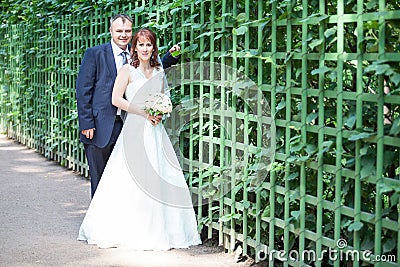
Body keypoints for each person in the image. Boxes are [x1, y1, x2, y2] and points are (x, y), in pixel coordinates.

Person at [77, 28, 201, 250]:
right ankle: (128, 228)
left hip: (155, 131)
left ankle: (160, 230)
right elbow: (116, 99)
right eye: (141, 45)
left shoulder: (158, 70)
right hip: (134, 128)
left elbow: (164, 98)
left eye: (149, 44)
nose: (145, 49)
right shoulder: (127, 70)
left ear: (154, 47)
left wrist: (159, 113)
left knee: (160, 176)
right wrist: (143, 112)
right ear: (134, 48)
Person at [76, 14, 181, 198]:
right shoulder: (95, 53)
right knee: (100, 179)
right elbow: (83, 89)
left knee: (122, 179)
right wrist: (86, 123)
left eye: (127, 31)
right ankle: (101, 222)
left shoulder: (135, 53)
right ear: (111, 31)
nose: (123, 35)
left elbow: (149, 72)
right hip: (100, 125)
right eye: (119, 31)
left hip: (128, 126)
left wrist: (170, 58)